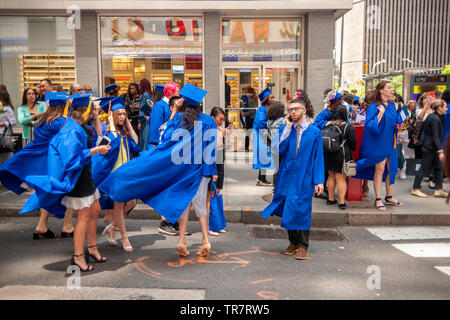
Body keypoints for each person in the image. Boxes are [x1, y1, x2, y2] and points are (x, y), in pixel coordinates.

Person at [98, 83, 217, 258]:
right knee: (200, 206)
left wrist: (174, 112)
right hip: (199, 169)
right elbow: (211, 149)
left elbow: (166, 138)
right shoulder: (209, 121)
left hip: (181, 170)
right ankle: (205, 240)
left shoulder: (178, 120)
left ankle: (182, 241)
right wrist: (210, 171)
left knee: (183, 204)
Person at [20, 93, 111, 272]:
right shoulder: (71, 129)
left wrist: (96, 122)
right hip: (78, 175)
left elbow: (96, 137)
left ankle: (92, 247)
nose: (94, 111)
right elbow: (72, 160)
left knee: (96, 209)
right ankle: (78, 256)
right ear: (84, 111)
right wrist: (96, 150)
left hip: (85, 172)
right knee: (84, 217)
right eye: (91, 109)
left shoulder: (79, 125)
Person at [0, 92, 75, 239]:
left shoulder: (42, 121)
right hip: (57, 162)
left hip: (43, 161)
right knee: (68, 190)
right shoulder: (61, 121)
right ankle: (67, 226)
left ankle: (42, 225)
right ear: (63, 105)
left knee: (46, 191)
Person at [261, 98, 325, 260]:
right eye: (290, 110)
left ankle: (303, 245)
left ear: (304, 110)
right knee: (288, 208)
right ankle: (293, 242)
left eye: (296, 109)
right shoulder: (285, 129)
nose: (292, 112)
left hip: (304, 176)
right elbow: (276, 149)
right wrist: (287, 129)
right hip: (286, 175)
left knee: (302, 209)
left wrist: (319, 181)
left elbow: (318, 158)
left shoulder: (314, 132)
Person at [92, 96, 140, 251]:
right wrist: (110, 126)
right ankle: (124, 238)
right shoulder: (108, 131)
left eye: (124, 114)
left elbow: (136, 142)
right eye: (118, 114)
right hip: (115, 174)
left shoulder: (125, 131)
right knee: (118, 205)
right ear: (112, 116)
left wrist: (128, 124)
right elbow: (102, 146)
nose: (122, 117)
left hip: (127, 173)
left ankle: (113, 226)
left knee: (132, 202)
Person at [354, 80, 403, 211]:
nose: (392, 90)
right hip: (379, 142)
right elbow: (370, 126)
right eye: (389, 87)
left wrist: (401, 123)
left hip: (391, 141)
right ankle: (378, 198)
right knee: (380, 170)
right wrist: (380, 114)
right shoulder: (373, 107)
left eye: (392, 88)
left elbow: (395, 121)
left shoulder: (392, 105)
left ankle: (389, 196)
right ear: (381, 90)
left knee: (391, 169)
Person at [411, 99, 447, 198]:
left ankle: (438, 189)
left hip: (432, 147)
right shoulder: (435, 118)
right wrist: (440, 151)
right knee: (424, 167)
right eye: (445, 107)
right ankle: (415, 189)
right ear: (439, 108)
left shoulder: (438, 116)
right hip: (429, 147)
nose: (446, 108)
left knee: (440, 167)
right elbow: (435, 136)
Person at [324, 105, 356, 209]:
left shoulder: (328, 125)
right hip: (342, 155)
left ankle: (331, 199)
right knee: (340, 178)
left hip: (329, 154)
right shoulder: (348, 126)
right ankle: (341, 202)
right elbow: (353, 144)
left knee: (331, 176)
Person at [207, 106, 232, 236]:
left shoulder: (219, 129)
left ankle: (217, 224)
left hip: (220, 159)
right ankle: (210, 226)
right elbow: (212, 146)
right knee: (210, 193)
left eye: (224, 120)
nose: (222, 122)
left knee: (217, 191)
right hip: (213, 160)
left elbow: (226, 146)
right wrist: (221, 135)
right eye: (220, 119)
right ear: (213, 117)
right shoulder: (209, 129)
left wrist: (228, 134)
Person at [253, 87, 274, 186]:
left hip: (264, 136)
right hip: (261, 136)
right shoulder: (261, 110)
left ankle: (261, 178)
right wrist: (272, 124)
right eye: (271, 98)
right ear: (266, 99)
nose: (273, 99)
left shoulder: (266, 109)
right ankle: (261, 179)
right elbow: (260, 123)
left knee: (265, 156)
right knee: (263, 156)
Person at [148, 82, 180, 147]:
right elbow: (155, 126)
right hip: (161, 143)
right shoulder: (159, 105)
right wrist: (156, 144)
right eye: (177, 92)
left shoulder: (172, 105)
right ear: (171, 93)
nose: (179, 94)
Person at [0, 90, 17, 165]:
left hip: (5, 136)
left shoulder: (7, 109)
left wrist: (2, 124)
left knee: (7, 158)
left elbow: (13, 122)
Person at [138, 79, 153, 151]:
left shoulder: (145, 95)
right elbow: (151, 105)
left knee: (144, 138)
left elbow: (141, 109)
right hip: (149, 118)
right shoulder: (149, 94)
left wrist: (139, 122)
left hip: (144, 119)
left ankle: (143, 155)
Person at [241, 87, 258, 152]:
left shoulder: (251, 100)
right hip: (253, 117)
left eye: (247, 92)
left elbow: (251, 110)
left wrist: (244, 113)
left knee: (248, 133)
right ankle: (249, 147)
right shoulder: (254, 99)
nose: (246, 94)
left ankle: (246, 147)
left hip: (250, 118)